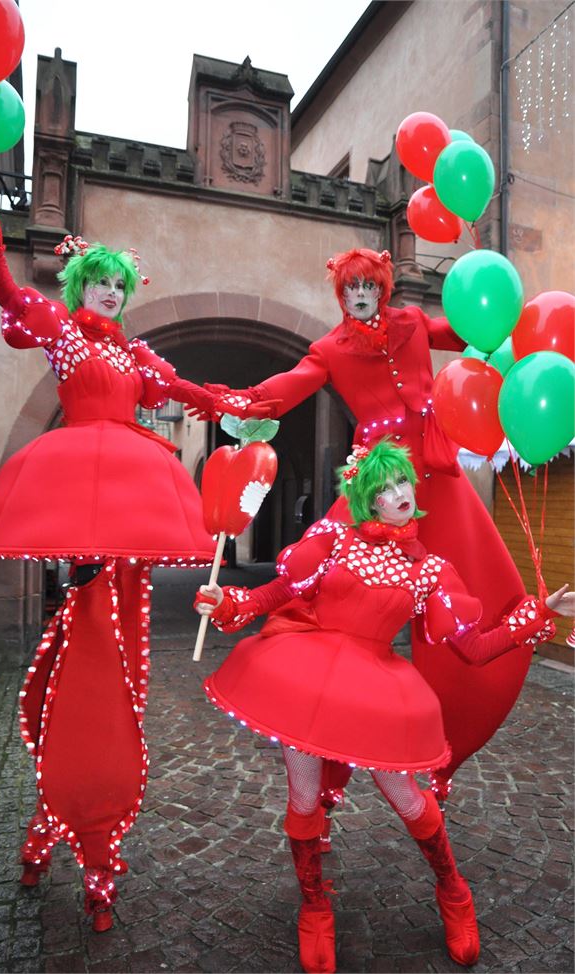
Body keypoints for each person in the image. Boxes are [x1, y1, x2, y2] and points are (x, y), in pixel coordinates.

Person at [0, 165, 271, 931]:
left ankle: (84, 830)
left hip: (123, 504)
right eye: (100, 284)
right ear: (82, 287)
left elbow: (185, 391)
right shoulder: (60, 333)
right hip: (78, 490)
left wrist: (240, 403)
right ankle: (69, 820)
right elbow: (11, 296)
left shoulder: (134, 356)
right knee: (84, 653)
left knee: (117, 662)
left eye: (119, 286)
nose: (111, 295)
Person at [195, 440, 572, 973]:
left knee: (409, 801)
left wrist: (533, 615)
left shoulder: (430, 572)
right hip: (305, 684)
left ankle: (453, 890)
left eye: (404, 484)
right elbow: (280, 591)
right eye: (386, 487)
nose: (399, 494)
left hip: (375, 694)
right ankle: (315, 904)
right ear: (367, 498)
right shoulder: (334, 541)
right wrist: (228, 602)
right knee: (303, 801)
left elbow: (473, 647)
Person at [205, 247, 536, 808]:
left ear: (383, 288)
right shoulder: (331, 348)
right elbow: (289, 385)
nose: (361, 296)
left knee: (480, 583)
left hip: (434, 471)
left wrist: (511, 324)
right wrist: (231, 397)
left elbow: (463, 332)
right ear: (342, 296)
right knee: (319, 582)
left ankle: (456, 730)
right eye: (350, 289)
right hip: (378, 482)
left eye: (369, 286)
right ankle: (322, 752)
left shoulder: (410, 323)